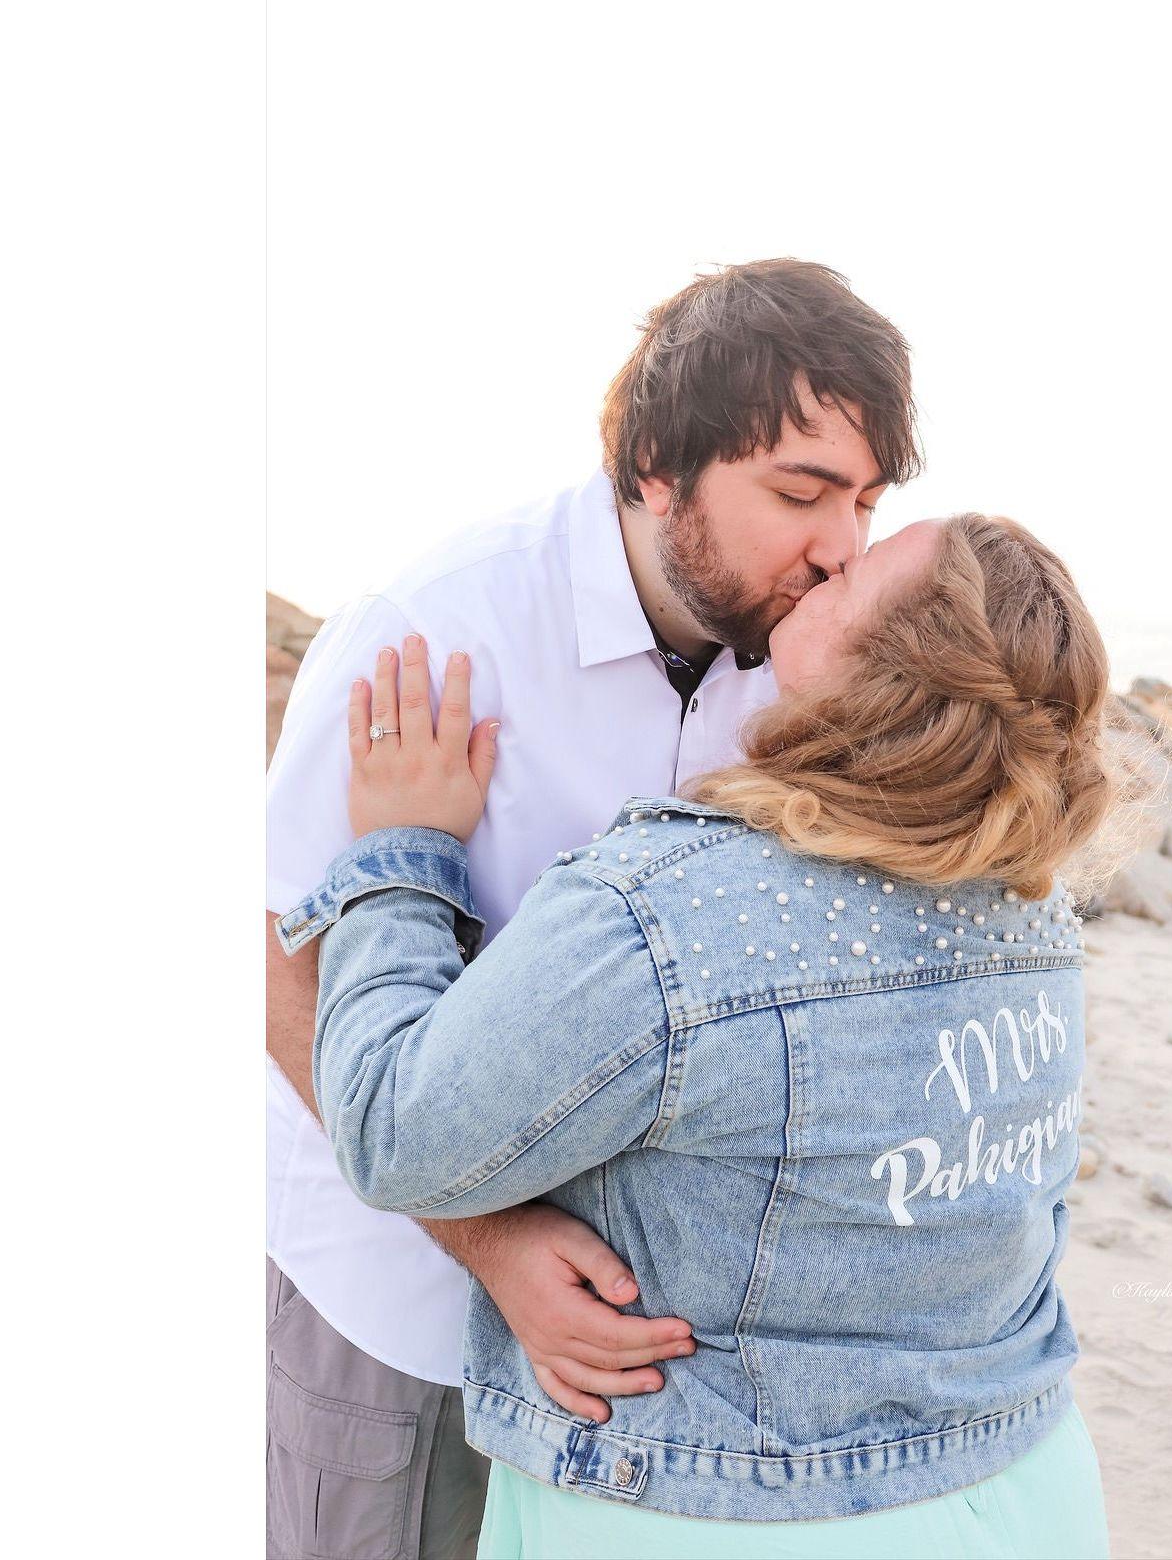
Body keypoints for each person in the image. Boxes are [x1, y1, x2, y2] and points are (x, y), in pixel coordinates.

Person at [276, 511, 1121, 1558]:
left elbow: (393, 1130)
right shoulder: (1032, 913)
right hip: (1027, 1489)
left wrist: (402, 851)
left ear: (886, 670)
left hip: (735, 1519)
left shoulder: (675, 913)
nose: (832, 557)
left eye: (858, 575)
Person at [265, 259, 922, 1559]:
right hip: (404, 1309)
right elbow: (271, 961)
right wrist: (489, 1241)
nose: (841, 545)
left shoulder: (807, 653)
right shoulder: (437, 630)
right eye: (800, 493)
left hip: (648, 1358)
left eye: (863, 500)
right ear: (655, 466)